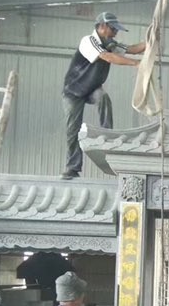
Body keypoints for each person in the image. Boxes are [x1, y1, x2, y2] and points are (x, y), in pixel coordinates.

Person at [61, 12, 146, 180]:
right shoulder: (89, 41)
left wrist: (150, 41)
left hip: (92, 88)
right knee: (73, 130)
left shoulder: (109, 43)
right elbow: (107, 57)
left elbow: (132, 49)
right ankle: (72, 167)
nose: (115, 33)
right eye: (113, 29)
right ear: (102, 26)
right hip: (73, 91)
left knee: (103, 98)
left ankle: (106, 134)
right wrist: (135, 64)